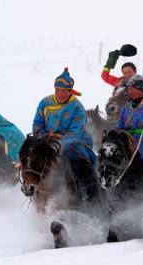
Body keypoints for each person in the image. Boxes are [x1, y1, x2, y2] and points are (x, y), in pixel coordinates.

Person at [32, 67, 98, 201]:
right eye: (58, 90)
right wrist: (43, 137)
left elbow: (74, 133)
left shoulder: (77, 107)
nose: (60, 94)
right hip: (46, 140)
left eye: (64, 91)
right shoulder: (44, 103)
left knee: (80, 163)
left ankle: (86, 195)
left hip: (75, 142)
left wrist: (57, 145)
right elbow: (37, 124)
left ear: (70, 91)